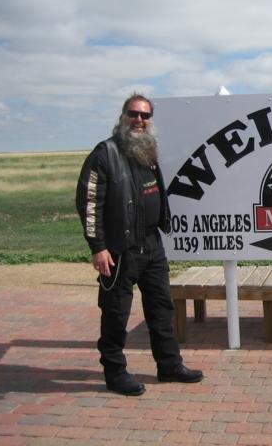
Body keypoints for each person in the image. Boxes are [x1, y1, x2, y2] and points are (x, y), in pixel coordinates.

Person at [76, 93, 203, 395]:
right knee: (116, 313)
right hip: (120, 248)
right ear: (123, 116)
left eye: (145, 116)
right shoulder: (104, 154)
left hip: (151, 243)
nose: (139, 120)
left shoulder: (147, 151)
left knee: (161, 308)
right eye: (133, 114)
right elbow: (89, 203)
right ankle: (115, 372)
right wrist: (98, 247)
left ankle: (169, 365)